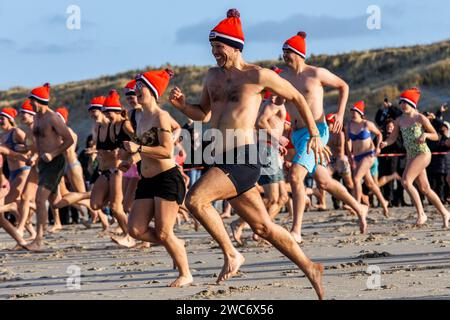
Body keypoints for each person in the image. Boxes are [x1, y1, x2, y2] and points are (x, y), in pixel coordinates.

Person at [169, 9, 327, 299]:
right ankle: (310, 267)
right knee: (264, 227)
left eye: (219, 47)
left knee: (195, 200)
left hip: (243, 157)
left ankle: (232, 254)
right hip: (218, 157)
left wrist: (315, 133)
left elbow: (297, 97)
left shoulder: (258, 75)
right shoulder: (212, 77)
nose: (214, 53)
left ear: (235, 47)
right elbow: (201, 113)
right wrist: (181, 105)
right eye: (212, 47)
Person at [281, 31, 368, 242]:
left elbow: (343, 86)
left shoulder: (316, 74)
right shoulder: (282, 77)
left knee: (295, 176)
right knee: (324, 182)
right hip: (297, 134)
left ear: (299, 54)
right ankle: (359, 207)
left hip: (317, 133)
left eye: (288, 52)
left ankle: (296, 230)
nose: (284, 56)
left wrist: (339, 112)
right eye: (283, 52)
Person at [123, 69, 192, 287]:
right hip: (147, 180)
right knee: (135, 229)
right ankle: (176, 243)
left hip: (166, 178)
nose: (136, 91)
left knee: (163, 232)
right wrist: (133, 159)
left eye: (140, 87)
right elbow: (152, 146)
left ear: (152, 91)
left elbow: (165, 150)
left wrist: (139, 147)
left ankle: (185, 273)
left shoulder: (160, 116)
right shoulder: (140, 117)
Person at [381, 87, 449, 228]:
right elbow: (393, 138)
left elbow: (436, 135)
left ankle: (421, 214)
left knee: (406, 181)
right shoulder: (399, 120)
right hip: (411, 156)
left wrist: (425, 135)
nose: (402, 105)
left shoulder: (420, 118)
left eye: (405, 102)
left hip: (423, 153)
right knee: (425, 189)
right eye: (401, 102)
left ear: (412, 104)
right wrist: (385, 143)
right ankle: (445, 212)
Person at [25, 83, 75, 251]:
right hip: (43, 164)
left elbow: (69, 140)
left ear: (39, 101)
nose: (30, 103)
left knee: (40, 199)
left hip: (55, 162)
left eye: (32, 100)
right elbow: (38, 143)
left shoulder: (53, 118)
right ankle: (87, 197)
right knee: (57, 202)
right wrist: (33, 157)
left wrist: (53, 154)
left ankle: (38, 239)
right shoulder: (37, 118)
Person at [88, 92, 136, 247]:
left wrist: (128, 156)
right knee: (95, 204)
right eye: (106, 112)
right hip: (104, 171)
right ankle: (130, 231)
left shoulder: (121, 125)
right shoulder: (101, 128)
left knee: (116, 208)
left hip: (118, 170)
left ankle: (129, 235)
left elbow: (138, 142)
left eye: (108, 112)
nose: (107, 115)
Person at [346, 101, 389, 217]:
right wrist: (350, 155)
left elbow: (379, 134)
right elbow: (348, 141)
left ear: (360, 113)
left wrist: (378, 147)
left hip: (369, 154)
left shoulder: (366, 124)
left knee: (356, 178)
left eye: (355, 111)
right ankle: (384, 202)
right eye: (352, 111)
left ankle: (357, 205)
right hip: (357, 157)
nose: (353, 113)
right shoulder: (349, 125)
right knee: (370, 183)